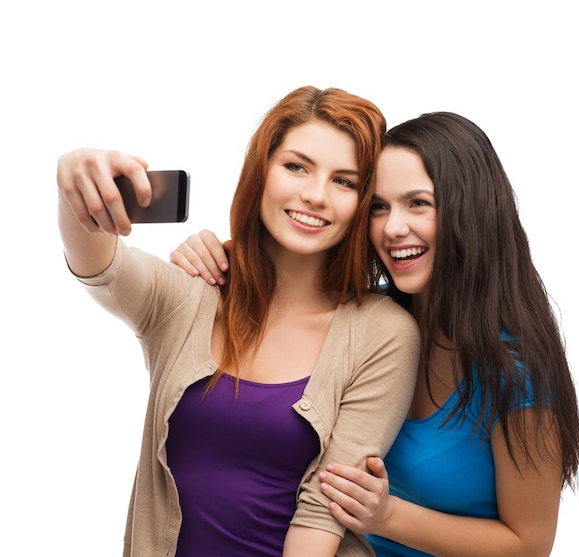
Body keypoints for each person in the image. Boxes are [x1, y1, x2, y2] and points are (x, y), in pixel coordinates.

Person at [170, 111, 579, 556]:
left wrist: (388, 516)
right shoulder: (371, 323)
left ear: (472, 211)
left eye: (419, 204)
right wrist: (220, 254)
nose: (392, 228)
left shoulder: (516, 371)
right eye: (379, 207)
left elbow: (531, 545)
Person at [56, 85, 421, 557]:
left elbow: (321, 515)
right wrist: (74, 180)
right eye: (296, 166)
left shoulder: (382, 333)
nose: (315, 196)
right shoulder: (189, 296)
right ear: (261, 172)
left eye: (344, 182)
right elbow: (99, 265)